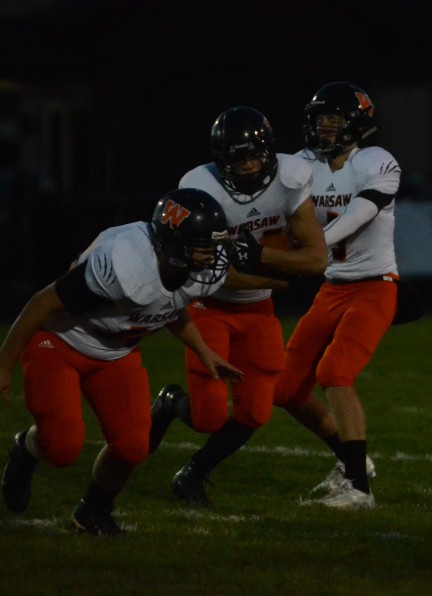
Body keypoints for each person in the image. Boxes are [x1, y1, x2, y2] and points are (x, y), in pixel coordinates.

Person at [0, 189, 242, 535]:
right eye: (203, 246)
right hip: (60, 341)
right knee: (62, 448)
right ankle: (25, 450)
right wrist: (4, 364)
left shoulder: (183, 269)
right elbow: (42, 303)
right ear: (171, 244)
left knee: (132, 446)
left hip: (116, 352)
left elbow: (169, 305)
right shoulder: (124, 263)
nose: (213, 256)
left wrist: (204, 350)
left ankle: (92, 512)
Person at [148, 106, 328, 508]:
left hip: (259, 311)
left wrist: (259, 256)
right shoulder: (199, 188)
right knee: (208, 416)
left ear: (270, 154)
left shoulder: (292, 178)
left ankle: (193, 473)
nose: (247, 167)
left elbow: (317, 259)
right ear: (220, 161)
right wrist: (277, 274)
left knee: (255, 412)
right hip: (209, 307)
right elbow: (211, 274)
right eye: (237, 159)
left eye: (253, 157)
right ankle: (170, 403)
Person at [272, 81, 402, 510]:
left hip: (374, 287)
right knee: (286, 389)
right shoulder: (303, 164)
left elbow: (359, 213)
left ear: (356, 124)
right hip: (331, 288)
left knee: (335, 372)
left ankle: (359, 491)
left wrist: (312, 247)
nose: (324, 131)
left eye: (332, 122)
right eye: (319, 122)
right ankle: (353, 463)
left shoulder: (376, 160)